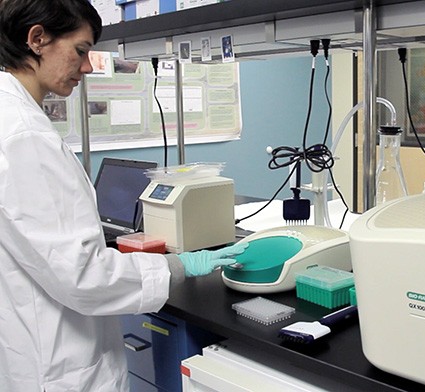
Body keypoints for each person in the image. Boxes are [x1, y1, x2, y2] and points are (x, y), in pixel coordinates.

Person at [0, 1, 247, 391]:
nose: (86, 67)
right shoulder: (23, 136)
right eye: (81, 50)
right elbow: (83, 276)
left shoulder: (12, 118)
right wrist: (178, 266)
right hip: (57, 363)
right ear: (37, 38)